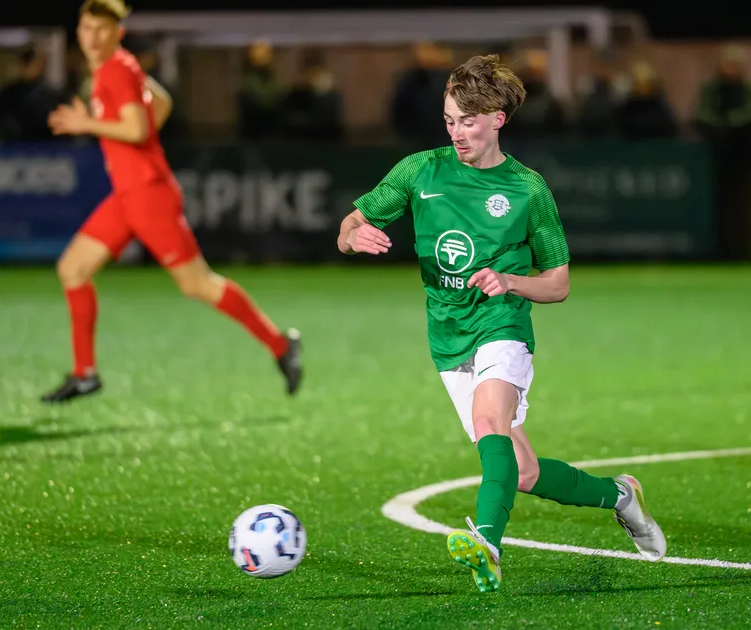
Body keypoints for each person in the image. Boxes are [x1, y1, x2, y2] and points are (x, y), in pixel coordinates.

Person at [337, 54, 666, 592]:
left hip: (503, 325)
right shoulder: (420, 171)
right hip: (446, 335)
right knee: (523, 471)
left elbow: (557, 282)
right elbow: (352, 220)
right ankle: (621, 496)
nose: (457, 133)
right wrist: (353, 236)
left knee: (491, 423)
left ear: (498, 119)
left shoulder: (527, 189)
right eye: (449, 120)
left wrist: (511, 281)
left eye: (468, 121)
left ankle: (487, 542)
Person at [43, 0, 301, 403]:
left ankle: (281, 345)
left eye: (100, 30)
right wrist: (135, 143)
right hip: (128, 194)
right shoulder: (121, 67)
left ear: (118, 34)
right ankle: (85, 374)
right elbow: (160, 105)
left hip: (148, 195)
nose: (91, 38)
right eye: (85, 28)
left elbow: (136, 126)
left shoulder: (115, 70)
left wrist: (85, 124)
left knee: (197, 284)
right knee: (73, 269)